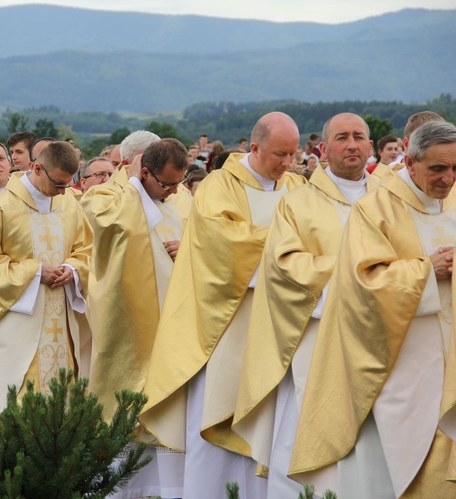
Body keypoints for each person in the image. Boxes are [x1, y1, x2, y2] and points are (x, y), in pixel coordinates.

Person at [140, 112, 306, 498]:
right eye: (280, 154)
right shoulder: (220, 185)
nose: (287, 163)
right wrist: (287, 249)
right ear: (254, 148)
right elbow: (221, 245)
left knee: (273, 415)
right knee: (221, 407)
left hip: (281, 321)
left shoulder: (298, 185)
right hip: (228, 322)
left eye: (293, 155)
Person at [290, 120, 456, 497]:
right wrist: (425, 271)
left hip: (451, 356)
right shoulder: (374, 210)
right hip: (398, 362)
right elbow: (361, 283)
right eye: (438, 169)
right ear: (410, 163)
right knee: (394, 467)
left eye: (455, 168)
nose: (448, 179)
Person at [231, 113, 373, 497]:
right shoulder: (296, 204)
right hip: (318, 336)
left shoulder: (388, 201)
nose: (352, 144)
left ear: (370, 147)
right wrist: (354, 277)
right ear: (324, 150)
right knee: (305, 427)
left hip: (380, 336)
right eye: (341, 137)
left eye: (359, 137)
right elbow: (284, 267)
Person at [81, 138, 192, 499]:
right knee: (125, 414)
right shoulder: (107, 195)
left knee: (168, 415)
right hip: (128, 327)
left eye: (179, 182)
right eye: (166, 183)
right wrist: (133, 189)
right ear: (143, 171)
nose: (175, 191)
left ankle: (169, 491)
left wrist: (188, 246)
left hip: (175, 327)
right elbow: (118, 229)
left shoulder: (180, 197)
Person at [0, 141, 92, 414]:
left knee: (61, 401)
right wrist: (36, 271)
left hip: (61, 321)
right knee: (18, 402)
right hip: (17, 323)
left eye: (68, 184)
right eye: (58, 184)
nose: (63, 191)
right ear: (36, 168)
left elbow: (86, 249)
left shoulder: (68, 204)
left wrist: (73, 269)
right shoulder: (3, 208)